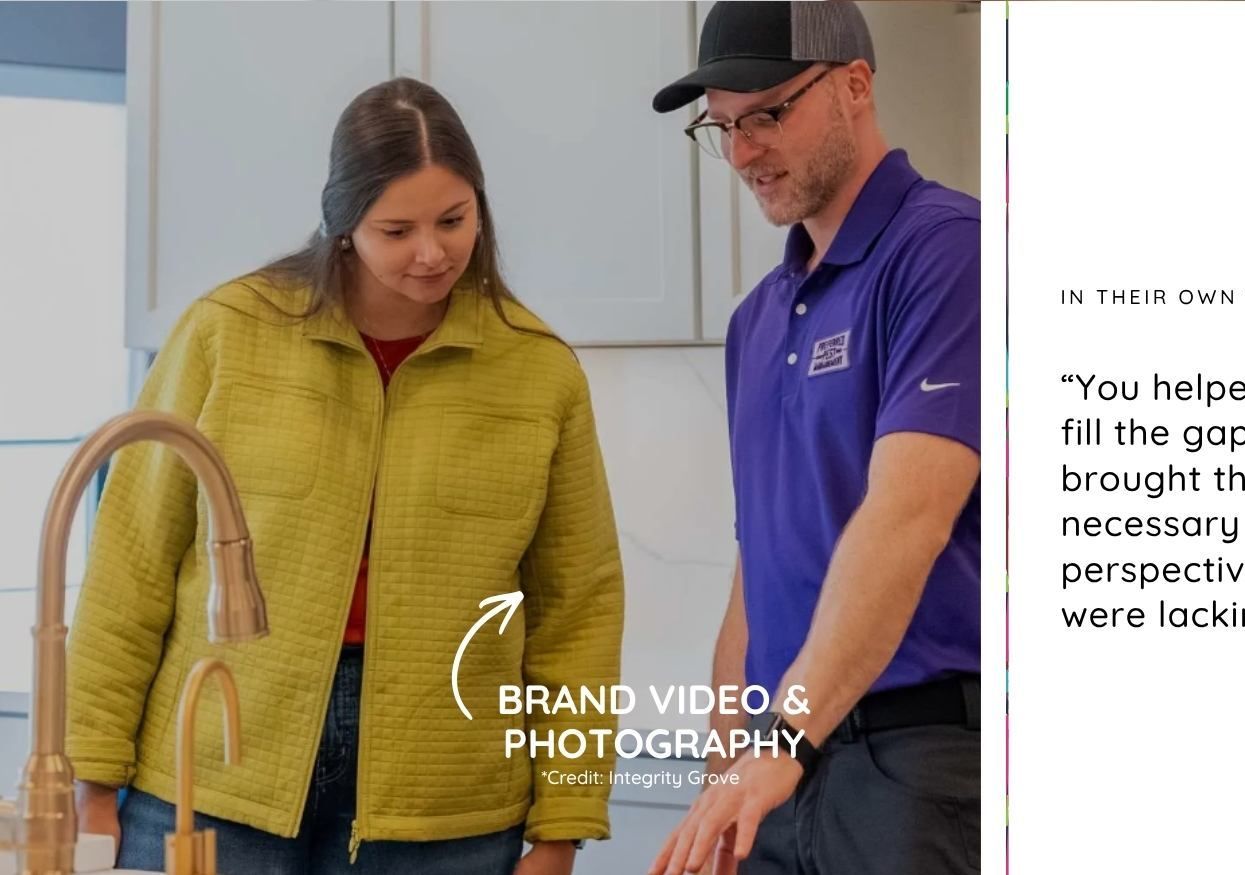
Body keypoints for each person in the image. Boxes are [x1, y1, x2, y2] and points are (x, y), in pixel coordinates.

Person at [65, 77, 624, 875]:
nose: (431, 252)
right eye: (396, 228)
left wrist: (563, 826)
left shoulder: (541, 372)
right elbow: (131, 563)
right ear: (342, 222)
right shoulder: (226, 334)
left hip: (448, 801)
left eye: (453, 220)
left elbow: (579, 612)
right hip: (213, 779)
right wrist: (94, 781)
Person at [648, 3, 981, 873]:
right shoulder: (755, 323)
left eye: (767, 113)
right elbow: (754, 571)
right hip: (778, 768)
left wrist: (785, 736)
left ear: (856, 86)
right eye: (722, 126)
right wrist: (727, 773)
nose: (743, 151)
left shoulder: (950, 255)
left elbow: (910, 516)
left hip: (910, 761)